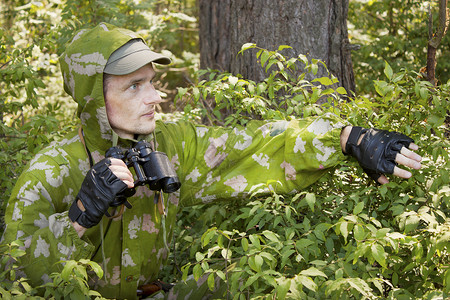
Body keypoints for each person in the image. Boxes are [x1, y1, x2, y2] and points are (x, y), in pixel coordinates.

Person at [1, 23, 422, 299]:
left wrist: (347, 139)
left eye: (152, 82)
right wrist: (78, 217)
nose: (154, 97)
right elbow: (15, 274)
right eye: (134, 87)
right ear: (94, 97)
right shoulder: (50, 170)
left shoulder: (169, 144)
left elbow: (251, 147)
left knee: (231, 284)